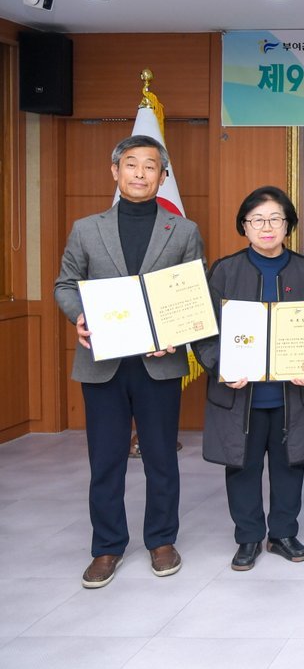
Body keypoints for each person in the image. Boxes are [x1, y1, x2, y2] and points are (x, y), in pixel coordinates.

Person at [54, 135, 205, 588]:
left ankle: (161, 540)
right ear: (115, 171)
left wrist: (176, 335)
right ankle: (106, 546)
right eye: (131, 164)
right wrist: (79, 315)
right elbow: (65, 284)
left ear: (163, 176)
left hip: (159, 363)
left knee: (161, 458)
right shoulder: (86, 228)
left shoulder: (183, 231)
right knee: (105, 460)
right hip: (103, 363)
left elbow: (193, 293)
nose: (140, 173)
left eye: (150, 166)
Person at [194, 187, 304, 571]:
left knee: (290, 465)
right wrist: (221, 366)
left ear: (288, 225)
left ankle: (283, 533)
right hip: (240, 395)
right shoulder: (225, 271)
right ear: (244, 226)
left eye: (275, 219)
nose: (267, 227)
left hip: (292, 394)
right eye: (257, 219)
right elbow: (204, 329)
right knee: (243, 465)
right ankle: (248, 536)